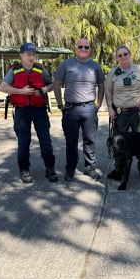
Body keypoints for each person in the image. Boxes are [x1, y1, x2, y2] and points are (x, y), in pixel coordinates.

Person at [0, 42, 57, 184]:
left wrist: (43, 90)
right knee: (24, 142)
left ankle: (50, 168)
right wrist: (21, 91)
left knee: (45, 141)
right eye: (28, 55)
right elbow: (2, 87)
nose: (31, 57)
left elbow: (51, 84)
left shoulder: (40, 69)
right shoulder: (14, 70)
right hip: (22, 110)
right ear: (22, 55)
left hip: (39, 110)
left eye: (33, 55)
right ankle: (24, 169)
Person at [53, 38, 105, 181]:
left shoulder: (95, 66)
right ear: (76, 48)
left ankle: (90, 168)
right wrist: (60, 105)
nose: (83, 49)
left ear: (90, 49)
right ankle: (70, 169)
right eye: (80, 46)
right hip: (70, 109)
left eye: (86, 47)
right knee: (71, 142)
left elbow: (102, 85)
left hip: (89, 108)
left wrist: (98, 104)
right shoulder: (66, 64)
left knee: (90, 140)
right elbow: (56, 83)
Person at [105, 45, 140, 181]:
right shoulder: (113, 73)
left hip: (138, 112)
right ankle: (118, 169)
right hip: (120, 114)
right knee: (118, 142)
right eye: (119, 55)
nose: (123, 57)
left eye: (125, 54)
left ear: (130, 55)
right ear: (117, 58)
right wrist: (110, 108)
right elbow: (109, 92)